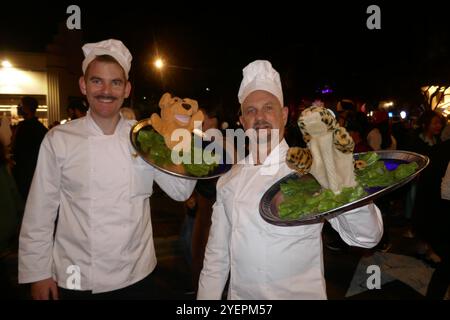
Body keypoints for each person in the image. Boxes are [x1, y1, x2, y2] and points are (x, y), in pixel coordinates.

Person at [18, 39, 196, 300]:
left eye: (115, 82)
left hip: (137, 273)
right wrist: (38, 273)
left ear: (126, 89)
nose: (106, 90)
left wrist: (184, 139)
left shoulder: (145, 137)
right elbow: (40, 211)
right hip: (77, 275)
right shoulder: (60, 139)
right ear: (83, 85)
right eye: (97, 80)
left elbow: (180, 191)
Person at [197, 60, 383, 300]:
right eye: (250, 111)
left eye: (268, 108)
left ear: (284, 115)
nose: (260, 117)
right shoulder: (229, 180)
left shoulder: (310, 172)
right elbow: (216, 257)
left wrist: (343, 179)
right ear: (242, 122)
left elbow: (367, 237)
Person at [11, 96, 48, 201]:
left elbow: (16, 148)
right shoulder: (41, 128)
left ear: (26, 108)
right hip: (36, 172)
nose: (18, 107)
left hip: (24, 174)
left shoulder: (23, 127)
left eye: (20, 105)